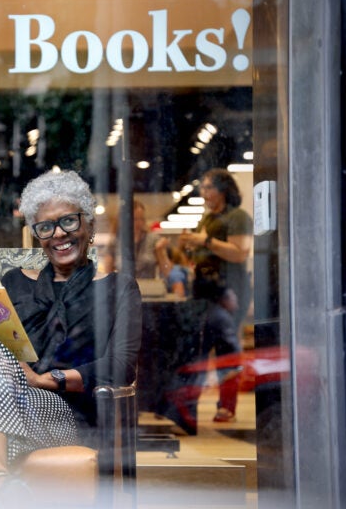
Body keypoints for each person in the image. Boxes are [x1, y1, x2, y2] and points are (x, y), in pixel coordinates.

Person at [0, 170, 142, 508]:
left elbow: (120, 365)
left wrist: (46, 379)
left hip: (61, 412)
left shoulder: (118, 287)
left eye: (68, 221)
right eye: (45, 227)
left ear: (89, 226)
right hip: (1, 397)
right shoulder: (13, 282)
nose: (58, 235)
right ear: (36, 235)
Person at [178, 168, 253, 330]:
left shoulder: (237, 216)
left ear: (223, 190)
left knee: (226, 341)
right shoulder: (207, 218)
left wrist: (205, 241)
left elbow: (239, 254)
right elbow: (199, 253)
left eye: (208, 188)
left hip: (228, 288)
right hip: (205, 288)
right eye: (202, 188)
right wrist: (188, 245)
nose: (203, 193)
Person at [199, 284, 243, 423]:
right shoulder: (222, 317)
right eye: (233, 299)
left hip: (217, 357)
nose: (236, 301)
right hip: (226, 358)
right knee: (230, 380)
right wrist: (241, 361)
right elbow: (230, 343)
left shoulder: (217, 313)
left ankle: (224, 409)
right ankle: (226, 410)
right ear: (224, 300)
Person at [103, 200, 160, 278]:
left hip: (148, 287)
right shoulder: (115, 242)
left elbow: (166, 270)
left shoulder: (153, 240)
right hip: (125, 287)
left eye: (141, 219)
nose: (138, 223)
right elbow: (108, 272)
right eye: (134, 219)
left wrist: (161, 250)